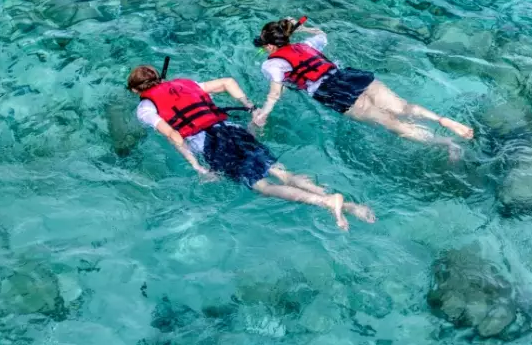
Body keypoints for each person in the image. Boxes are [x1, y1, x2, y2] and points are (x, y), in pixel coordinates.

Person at [126, 65, 374, 230]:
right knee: (281, 172)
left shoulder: (145, 108)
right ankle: (349, 207)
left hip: (213, 144)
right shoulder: (187, 83)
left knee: (263, 187)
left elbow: (174, 135)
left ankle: (328, 202)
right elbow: (227, 82)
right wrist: (249, 106)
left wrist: (198, 168)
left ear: (138, 90)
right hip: (232, 129)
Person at [251, 18, 474, 156]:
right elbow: (322, 34)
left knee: (391, 123)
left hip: (333, 92)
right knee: (401, 107)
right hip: (349, 76)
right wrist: (304, 29)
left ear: (270, 46)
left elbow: (274, 93)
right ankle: (441, 120)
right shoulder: (307, 44)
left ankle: (446, 142)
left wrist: (264, 113)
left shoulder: (272, 64)